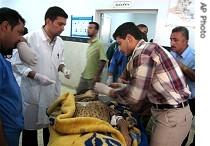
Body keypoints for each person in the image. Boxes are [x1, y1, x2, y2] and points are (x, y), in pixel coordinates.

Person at [94, 22, 193, 146]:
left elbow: (135, 97)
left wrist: (106, 90)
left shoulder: (144, 53)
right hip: (162, 111)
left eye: (119, 44)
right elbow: (148, 84)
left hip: (172, 115)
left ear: (129, 39)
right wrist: (125, 87)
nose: (119, 49)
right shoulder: (147, 49)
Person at [12, 6, 70, 146]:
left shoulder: (60, 42)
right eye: (60, 24)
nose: (63, 28)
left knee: (49, 129)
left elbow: (59, 61)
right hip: (33, 93)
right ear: (48, 21)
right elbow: (16, 64)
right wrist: (36, 76)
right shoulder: (29, 39)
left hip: (51, 94)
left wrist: (63, 68)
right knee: (30, 131)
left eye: (64, 25)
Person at [0, 7, 25, 146]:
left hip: (12, 126)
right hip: (5, 133)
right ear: (5, 27)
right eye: (19, 33)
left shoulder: (2, 56)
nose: (20, 39)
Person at [170, 26, 195, 146]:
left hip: (192, 100)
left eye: (176, 40)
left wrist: (181, 65)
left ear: (186, 41)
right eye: (171, 39)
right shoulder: (171, 54)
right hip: (175, 98)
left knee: (185, 130)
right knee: (176, 128)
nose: (172, 43)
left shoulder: (195, 56)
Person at [76, 22, 107, 94]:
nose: (88, 30)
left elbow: (103, 60)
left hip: (92, 78)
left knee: (91, 98)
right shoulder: (89, 43)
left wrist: (97, 75)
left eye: (90, 28)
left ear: (96, 31)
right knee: (78, 94)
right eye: (88, 28)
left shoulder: (99, 43)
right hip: (84, 76)